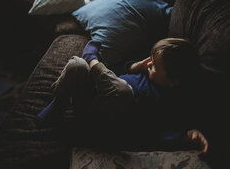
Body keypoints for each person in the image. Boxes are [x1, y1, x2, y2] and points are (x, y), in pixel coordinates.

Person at [36, 38, 208, 155]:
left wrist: (186, 135)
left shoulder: (167, 102)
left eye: (154, 66)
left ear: (173, 82)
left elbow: (160, 133)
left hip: (101, 119)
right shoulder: (146, 73)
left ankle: (92, 59)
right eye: (150, 60)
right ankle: (59, 104)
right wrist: (135, 67)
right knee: (77, 65)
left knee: (123, 92)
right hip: (89, 97)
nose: (148, 64)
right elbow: (121, 72)